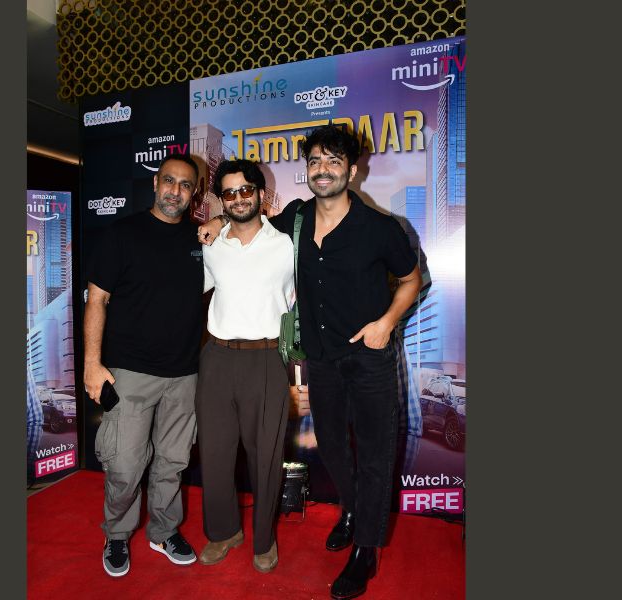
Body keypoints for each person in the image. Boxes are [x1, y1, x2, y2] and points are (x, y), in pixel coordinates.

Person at [198, 125, 423, 600]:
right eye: (316, 161)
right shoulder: (294, 219)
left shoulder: (380, 228)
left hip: (369, 360)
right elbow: (244, 217)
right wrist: (217, 220)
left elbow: (411, 280)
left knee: (374, 453)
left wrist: (386, 323)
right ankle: (350, 509)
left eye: (334, 161)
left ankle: (366, 550)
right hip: (321, 360)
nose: (323, 170)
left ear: (353, 170)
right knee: (335, 450)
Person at [84, 153, 204, 578]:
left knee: (172, 462)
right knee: (125, 464)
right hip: (130, 372)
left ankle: (164, 531)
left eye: (185, 185)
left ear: (194, 193)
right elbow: (97, 299)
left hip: (185, 374)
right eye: (169, 181)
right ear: (155, 184)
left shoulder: (201, 240)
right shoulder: (122, 234)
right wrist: (92, 363)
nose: (175, 191)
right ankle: (117, 534)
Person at [194, 159, 294, 574]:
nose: (238, 199)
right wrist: (216, 223)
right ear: (222, 199)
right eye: (229, 193)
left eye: (246, 190)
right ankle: (223, 532)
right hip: (217, 357)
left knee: (265, 456)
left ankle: (264, 540)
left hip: (267, 359)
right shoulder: (210, 244)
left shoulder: (287, 244)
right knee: (215, 453)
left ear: (260, 193)